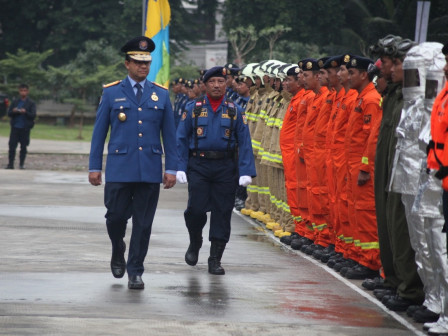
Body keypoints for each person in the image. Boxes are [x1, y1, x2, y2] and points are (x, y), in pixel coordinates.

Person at [88, 36, 177, 290]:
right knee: (115, 217)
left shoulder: (160, 94)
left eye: (147, 62)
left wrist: (171, 168)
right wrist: (95, 167)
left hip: (149, 170)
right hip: (119, 168)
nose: (144, 67)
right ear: (126, 64)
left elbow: (170, 136)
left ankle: (135, 270)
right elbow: (98, 133)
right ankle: (118, 248)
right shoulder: (112, 92)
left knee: (144, 224)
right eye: (138, 62)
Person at [176, 66, 256, 275]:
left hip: (225, 167)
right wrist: (179, 166)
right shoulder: (193, 108)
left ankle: (215, 258)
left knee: (222, 212)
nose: (217, 85)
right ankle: (195, 241)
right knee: (195, 210)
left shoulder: (234, 110)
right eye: (212, 82)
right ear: (205, 85)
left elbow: (245, 142)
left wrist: (246, 170)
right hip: (199, 166)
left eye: (221, 81)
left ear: (225, 84)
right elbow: (181, 139)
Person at [6, 84, 36, 169]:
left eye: (25, 90)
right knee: (12, 146)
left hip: (25, 128)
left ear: (28, 91)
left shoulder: (31, 103)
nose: (23, 92)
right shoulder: (15, 102)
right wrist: (14, 111)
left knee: (23, 146)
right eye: (21, 90)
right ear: (19, 91)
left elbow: (33, 115)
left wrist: (25, 112)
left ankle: (21, 164)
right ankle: (10, 164)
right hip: (15, 127)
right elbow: (9, 113)